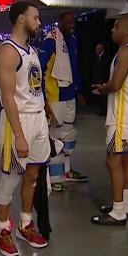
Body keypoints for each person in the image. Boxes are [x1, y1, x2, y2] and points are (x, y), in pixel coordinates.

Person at [0, 1, 55, 256]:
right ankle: (2, 231)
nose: (39, 23)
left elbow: (35, 87)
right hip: (16, 122)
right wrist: (19, 133)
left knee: (32, 175)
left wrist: (46, 111)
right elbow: (8, 98)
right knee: (10, 178)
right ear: (21, 19)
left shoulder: (32, 50)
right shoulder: (8, 52)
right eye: (35, 18)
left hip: (38, 118)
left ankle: (25, 225)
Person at [90, 18, 128, 225]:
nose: (112, 30)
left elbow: (116, 84)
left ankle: (118, 211)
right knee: (125, 160)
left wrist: (103, 88)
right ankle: (125, 205)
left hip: (122, 116)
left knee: (113, 160)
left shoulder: (125, 52)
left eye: (116, 27)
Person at [39, 11, 88, 190]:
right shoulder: (50, 40)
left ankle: (66, 171)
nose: (71, 24)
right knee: (55, 136)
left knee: (69, 134)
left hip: (69, 95)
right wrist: (42, 99)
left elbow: (76, 68)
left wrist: (80, 91)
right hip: (55, 95)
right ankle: (54, 176)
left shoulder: (73, 40)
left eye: (73, 21)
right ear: (59, 22)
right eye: (67, 22)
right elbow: (40, 69)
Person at [90, 42, 111, 116]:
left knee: (103, 96)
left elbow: (104, 69)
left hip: (103, 79)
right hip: (97, 79)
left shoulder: (106, 58)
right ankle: (100, 110)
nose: (96, 50)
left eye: (97, 49)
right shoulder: (96, 58)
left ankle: (104, 111)